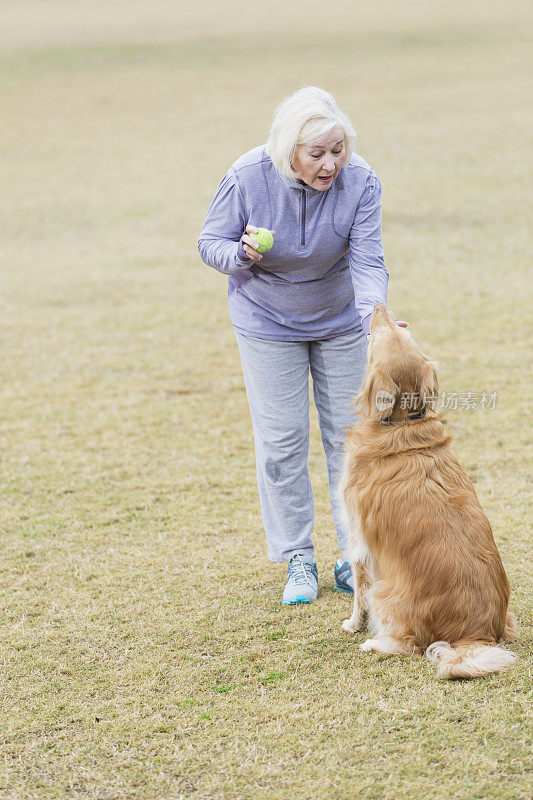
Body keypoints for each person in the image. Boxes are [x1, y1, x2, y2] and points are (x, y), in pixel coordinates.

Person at [197, 86, 408, 605]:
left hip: (339, 321)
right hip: (266, 320)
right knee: (282, 442)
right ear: (288, 149)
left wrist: (377, 320)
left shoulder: (361, 181)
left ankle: (351, 555)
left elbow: (368, 261)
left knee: (349, 439)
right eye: (317, 153)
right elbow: (210, 243)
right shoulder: (249, 175)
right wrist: (241, 254)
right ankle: (297, 557)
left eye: (338, 150)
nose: (330, 163)